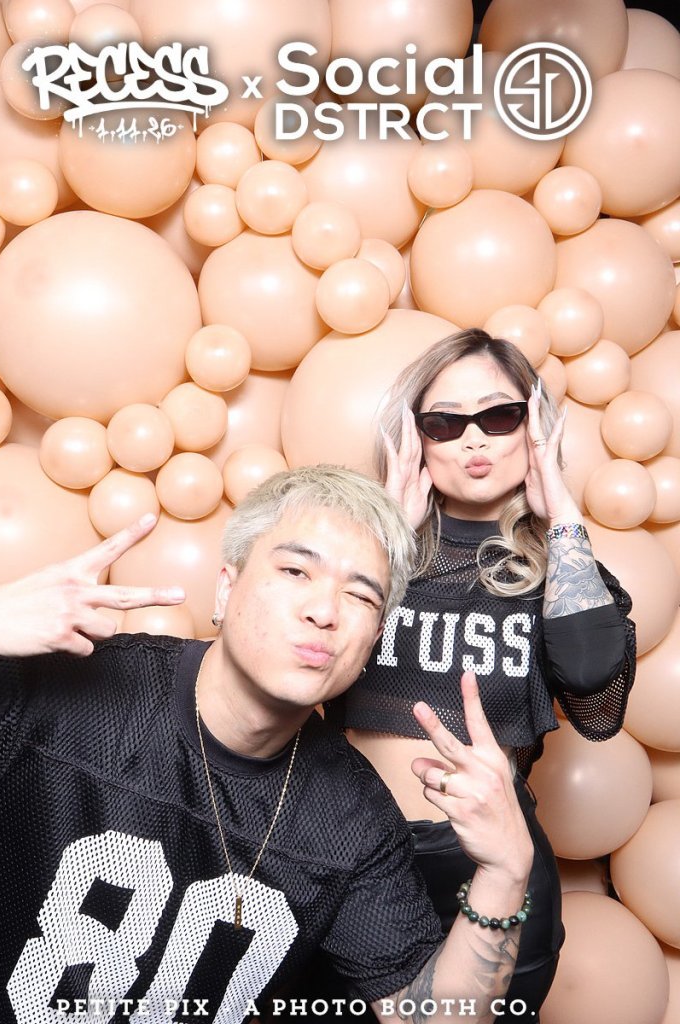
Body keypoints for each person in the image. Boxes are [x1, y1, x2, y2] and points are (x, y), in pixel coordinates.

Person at [0, 465, 534, 1024]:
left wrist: (506, 872)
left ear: (373, 641)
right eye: (295, 571)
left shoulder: (355, 821)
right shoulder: (60, 693)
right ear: (225, 589)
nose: (325, 611)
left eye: (360, 595)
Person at [326, 330, 636, 1022]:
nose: (473, 439)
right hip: (351, 857)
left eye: (499, 416)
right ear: (417, 439)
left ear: (534, 430)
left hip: (491, 867)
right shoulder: (362, 555)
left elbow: (596, 696)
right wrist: (385, 539)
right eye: (445, 422)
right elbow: (296, 678)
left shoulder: (561, 571)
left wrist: (562, 513)